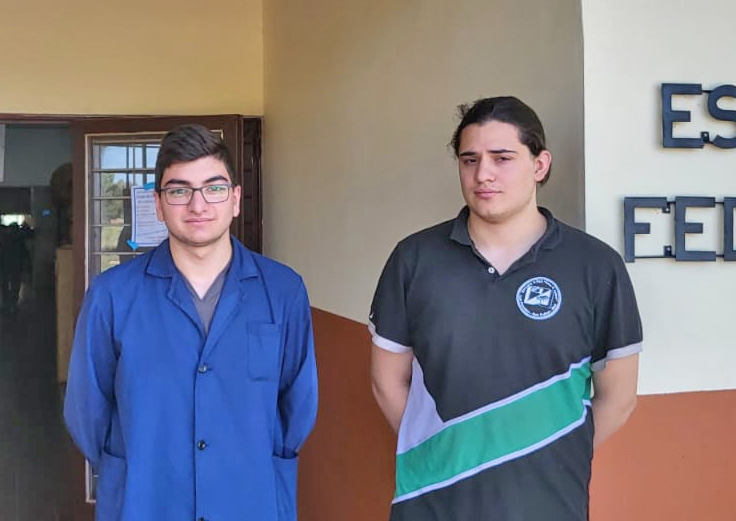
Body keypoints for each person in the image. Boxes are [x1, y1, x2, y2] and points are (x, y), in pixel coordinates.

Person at [369, 96, 642, 520]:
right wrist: (441, 453)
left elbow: (619, 398)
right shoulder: (414, 259)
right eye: (470, 160)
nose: (483, 174)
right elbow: (387, 382)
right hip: (433, 503)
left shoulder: (595, 265)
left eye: (502, 158)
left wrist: (546, 455)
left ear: (540, 165)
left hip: (550, 506)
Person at [64, 124, 318, 521]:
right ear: (158, 203)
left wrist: (251, 460)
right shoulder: (112, 294)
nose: (198, 205)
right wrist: (137, 463)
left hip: (250, 500)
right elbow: (86, 411)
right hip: (146, 501)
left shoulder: (283, 290)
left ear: (235, 199)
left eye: (214, 188)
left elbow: (298, 404)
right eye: (179, 190)